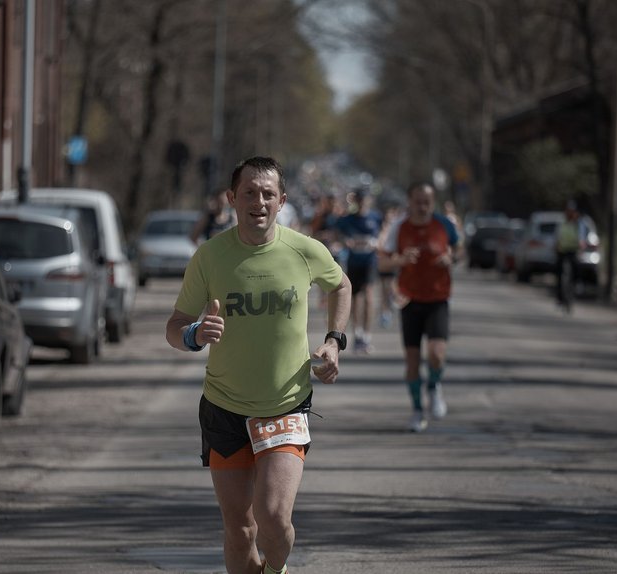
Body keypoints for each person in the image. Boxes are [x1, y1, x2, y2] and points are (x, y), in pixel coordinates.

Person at [166, 156, 352, 574]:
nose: (259, 202)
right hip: (224, 407)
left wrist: (334, 341)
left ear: (282, 200)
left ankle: (275, 570)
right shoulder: (210, 256)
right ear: (232, 198)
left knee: (273, 519)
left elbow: (340, 285)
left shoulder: (304, 250)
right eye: (249, 192)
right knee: (240, 531)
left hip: (285, 405)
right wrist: (194, 334)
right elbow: (174, 326)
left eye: (268, 193)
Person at [379, 183, 459, 432]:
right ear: (409, 202)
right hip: (410, 299)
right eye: (418, 201)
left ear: (433, 202)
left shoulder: (444, 225)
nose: (422, 206)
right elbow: (382, 263)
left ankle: (434, 387)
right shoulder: (399, 227)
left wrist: (451, 258)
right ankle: (417, 410)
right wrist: (401, 260)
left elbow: (459, 249)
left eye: (427, 202)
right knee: (412, 362)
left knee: (437, 354)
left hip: (438, 298)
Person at [335, 188, 384, 353]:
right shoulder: (347, 219)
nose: (362, 203)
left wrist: (377, 242)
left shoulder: (376, 217)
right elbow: (337, 233)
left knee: (369, 296)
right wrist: (345, 241)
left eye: (365, 199)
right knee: (356, 299)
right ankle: (358, 334)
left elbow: (384, 232)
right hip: (354, 262)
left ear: (369, 201)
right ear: (356, 201)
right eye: (360, 199)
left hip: (369, 261)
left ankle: (367, 335)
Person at [555, 200, 584, 308]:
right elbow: (557, 235)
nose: (570, 213)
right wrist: (557, 245)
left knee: (577, 266)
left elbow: (581, 236)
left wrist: (581, 243)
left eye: (572, 211)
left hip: (573, 250)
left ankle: (577, 285)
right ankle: (559, 298)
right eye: (568, 211)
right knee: (559, 272)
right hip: (562, 250)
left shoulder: (578, 223)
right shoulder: (561, 222)